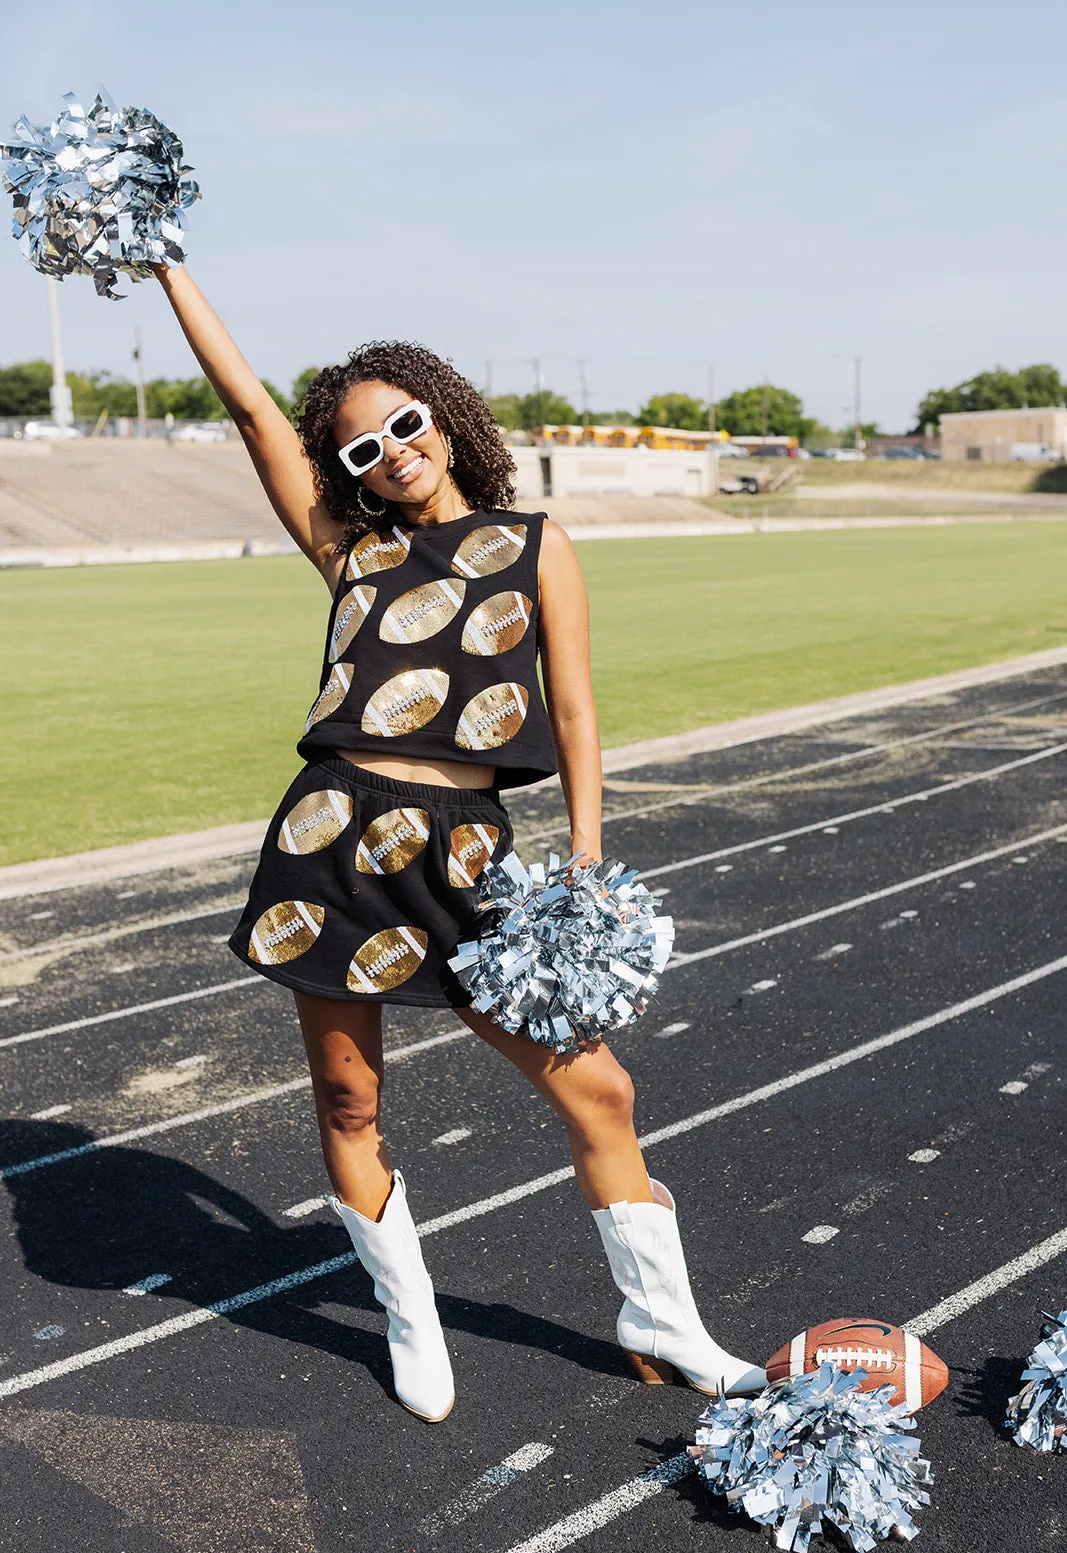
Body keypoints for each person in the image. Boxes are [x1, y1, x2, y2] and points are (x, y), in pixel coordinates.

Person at [153, 263, 766, 1422]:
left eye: (403, 422)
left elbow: (574, 707)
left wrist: (584, 852)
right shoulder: (350, 552)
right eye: (358, 446)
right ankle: (409, 1318)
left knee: (600, 1091)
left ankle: (662, 1321)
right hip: (331, 841)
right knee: (346, 1103)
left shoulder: (533, 544)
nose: (387, 450)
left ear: (444, 416)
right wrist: (166, 265)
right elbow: (245, 408)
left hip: (467, 852)